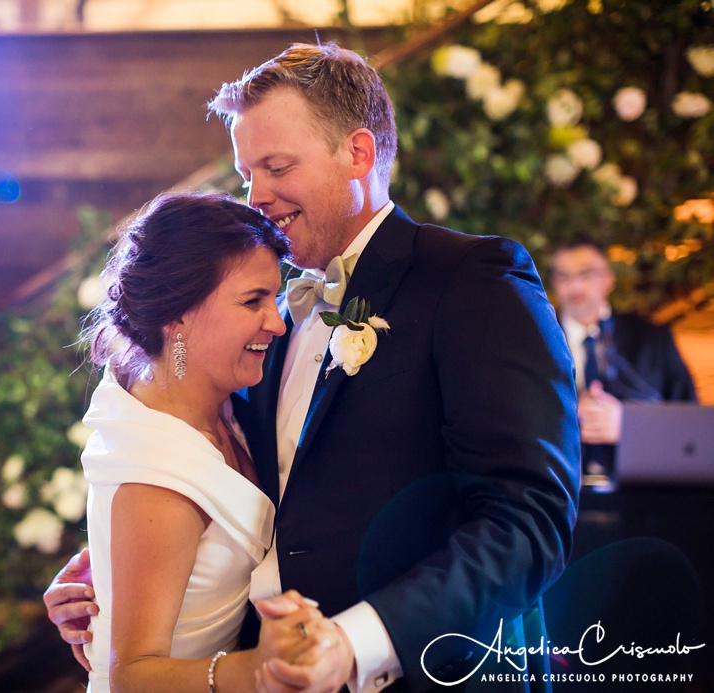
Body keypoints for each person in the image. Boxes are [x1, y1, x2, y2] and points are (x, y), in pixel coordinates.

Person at [48, 43, 580, 692]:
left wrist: (356, 641)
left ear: (357, 153)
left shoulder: (471, 280)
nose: (257, 196)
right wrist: (108, 568)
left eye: (276, 167)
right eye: (248, 174)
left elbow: (527, 523)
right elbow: (215, 480)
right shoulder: (270, 311)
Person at [75, 191, 345, 693]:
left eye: (274, 295)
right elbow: (131, 675)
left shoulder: (222, 405)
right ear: (176, 315)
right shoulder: (157, 469)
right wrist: (257, 666)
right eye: (253, 300)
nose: (278, 321)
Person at [549, 238, 697, 477]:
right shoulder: (535, 340)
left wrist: (630, 426)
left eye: (585, 274)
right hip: (561, 492)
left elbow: (690, 424)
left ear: (608, 279)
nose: (574, 286)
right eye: (563, 276)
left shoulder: (652, 338)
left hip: (641, 488)